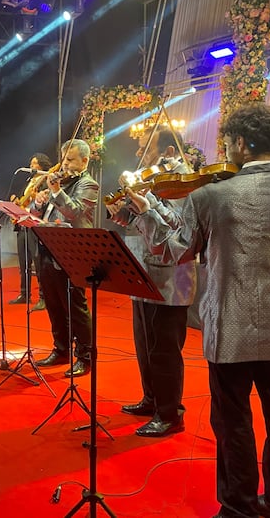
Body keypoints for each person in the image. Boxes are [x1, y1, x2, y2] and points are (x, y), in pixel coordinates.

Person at [124, 103, 270, 518]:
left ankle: (239, 506)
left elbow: (172, 251)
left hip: (232, 322)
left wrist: (145, 211)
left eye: (227, 141)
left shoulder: (211, 195)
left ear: (240, 143)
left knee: (233, 420)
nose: (225, 148)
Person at [105, 127, 197, 437]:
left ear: (170, 153)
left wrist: (149, 205)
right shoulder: (152, 182)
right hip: (142, 269)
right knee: (144, 343)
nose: (140, 155)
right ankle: (152, 399)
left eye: (148, 148)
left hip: (170, 278)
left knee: (164, 349)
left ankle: (170, 412)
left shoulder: (185, 183)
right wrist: (122, 212)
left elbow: (179, 230)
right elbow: (138, 225)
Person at [31, 139, 98, 377]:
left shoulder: (89, 184)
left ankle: (85, 355)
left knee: (75, 306)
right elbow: (36, 212)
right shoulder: (59, 183)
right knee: (54, 304)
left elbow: (75, 212)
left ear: (84, 160)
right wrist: (37, 204)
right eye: (64, 159)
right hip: (47, 248)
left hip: (72, 253)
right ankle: (61, 349)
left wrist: (56, 191)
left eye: (70, 160)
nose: (65, 164)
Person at [9, 152, 52, 310]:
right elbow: (23, 201)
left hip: (36, 227)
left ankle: (43, 296)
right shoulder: (29, 181)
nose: (31, 166)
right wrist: (16, 202)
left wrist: (36, 199)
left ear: (42, 166)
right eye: (31, 163)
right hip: (22, 225)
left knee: (38, 262)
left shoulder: (46, 180)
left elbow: (46, 204)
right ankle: (24, 293)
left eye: (35, 164)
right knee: (24, 263)